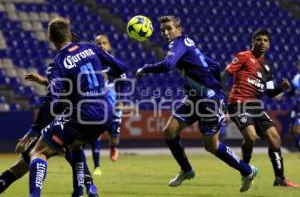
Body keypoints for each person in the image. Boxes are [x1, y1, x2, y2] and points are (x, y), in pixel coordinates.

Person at [136, 15, 257, 192]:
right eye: (163, 30)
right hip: (194, 97)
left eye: (169, 28)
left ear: (179, 29)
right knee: (169, 131)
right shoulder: (188, 43)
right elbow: (214, 65)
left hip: (209, 101)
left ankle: (248, 171)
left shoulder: (178, 43)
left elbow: (169, 65)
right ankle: (186, 170)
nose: (166, 32)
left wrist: (146, 68)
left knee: (211, 146)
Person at [26, 16, 127, 197]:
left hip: (84, 113)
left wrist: (34, 129)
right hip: (106, 113)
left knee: (39, 151)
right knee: (75, 146)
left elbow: (52, 98)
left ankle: (34, 195)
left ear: (50, 39)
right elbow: (122, 67)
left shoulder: (57, 64)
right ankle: (81, 192)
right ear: (70, 35)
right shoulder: (91, 48)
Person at [0, 38, 99, 197]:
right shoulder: (83, 67)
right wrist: (43, 81)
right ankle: (88, 189)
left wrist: (33, 130)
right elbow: (65, 85)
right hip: (72, 120)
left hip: (59, 119)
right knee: (74, 150)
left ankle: (39, 193)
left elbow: (58, 88)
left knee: (31, 159)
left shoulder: (62, 65)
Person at [223, 28, 299, 187]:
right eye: (259, 39)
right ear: (253, 42)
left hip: (255, 106)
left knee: (275, 138)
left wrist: (281, 88)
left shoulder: (267, 67)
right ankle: (245, 171)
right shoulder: (243, 56)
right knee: (250, 136)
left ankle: (280, 178)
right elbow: (226, 74)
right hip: (238, 103)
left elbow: (271, 92)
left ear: (269, 44)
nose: (262, 43)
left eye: (265, 40)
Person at [87, 34, 125, 175]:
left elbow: (124, 82)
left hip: (114, 104)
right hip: (98, 104)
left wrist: (121, 100)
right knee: (95, 134)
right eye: (98, 43)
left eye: (104, 43)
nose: (101, 45)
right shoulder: (91, 63)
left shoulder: (114, 64)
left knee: (114, 136)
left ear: (108, 46)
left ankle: (113, 147)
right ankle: (97, 166)